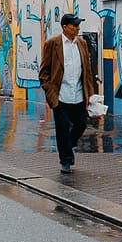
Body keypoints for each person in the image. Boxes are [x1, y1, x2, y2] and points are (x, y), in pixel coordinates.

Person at [38, 13, 96, 174]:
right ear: (65, 27)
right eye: (74, 25)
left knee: (81, 125)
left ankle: (66, 146)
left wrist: (90, 95)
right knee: (62, 128)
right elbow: (44, 72)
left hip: (78, 94)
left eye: (78, 25)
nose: (78, 28)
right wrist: (50, 93)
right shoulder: (52, 44)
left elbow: (87, 72)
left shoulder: (82, 44)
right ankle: (66, 161)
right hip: (60, 96)